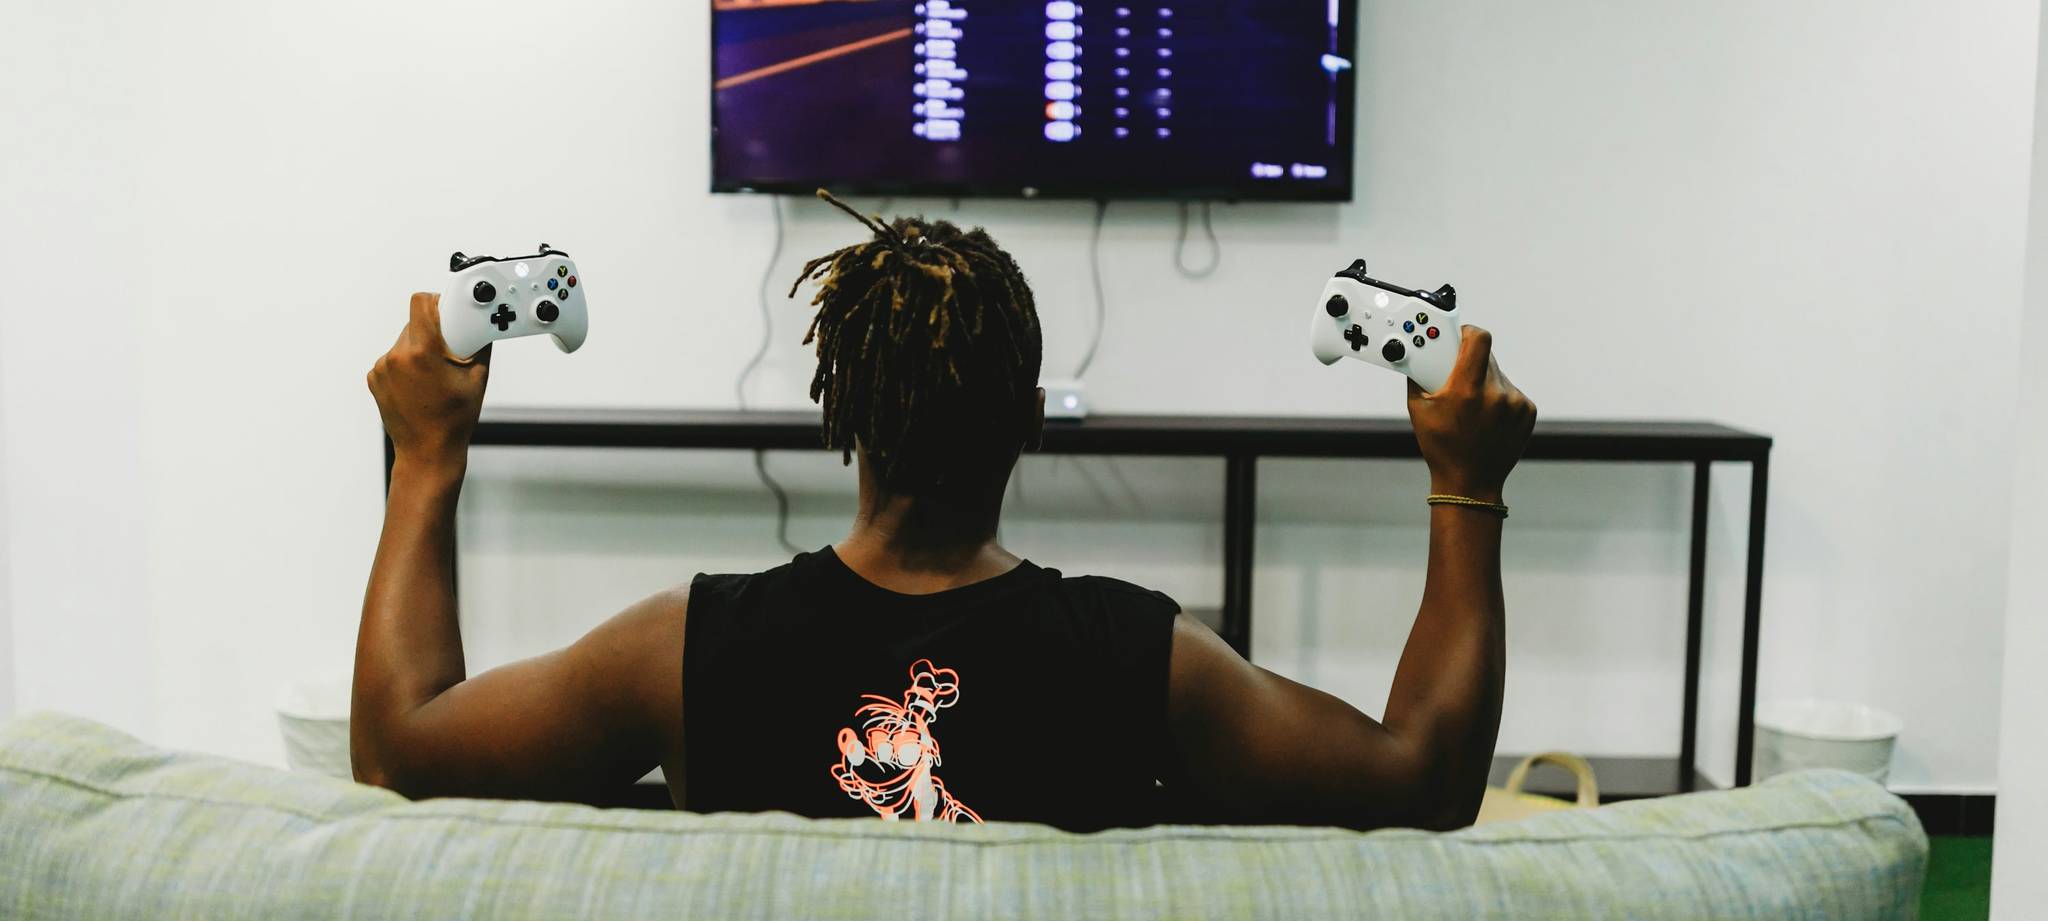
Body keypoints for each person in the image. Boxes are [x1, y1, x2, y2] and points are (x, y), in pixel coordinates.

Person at [353, 192, 1536, 832]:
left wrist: (425, 454)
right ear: (1029, 422)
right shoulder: (1145, 657)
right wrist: (1467, 485)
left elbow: (397, 753)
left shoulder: (678, 647)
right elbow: (1424, 783)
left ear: (840, 412)